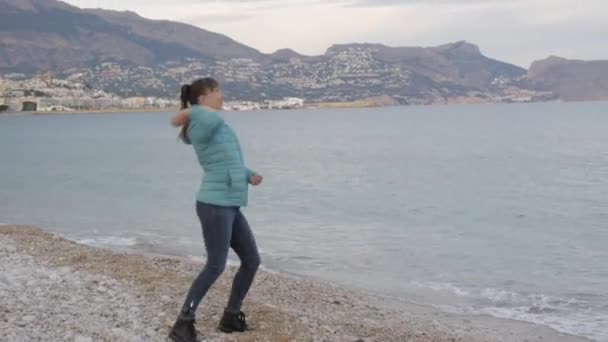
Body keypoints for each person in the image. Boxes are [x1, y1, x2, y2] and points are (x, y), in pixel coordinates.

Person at [168, 77, 262, 342]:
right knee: (216, 265)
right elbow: (205, 120)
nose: (221, 95)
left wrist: (249, 174)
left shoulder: (212, 124)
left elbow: (226, 162)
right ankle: (182, 324)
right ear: (202, 98)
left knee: (252, 260)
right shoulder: (203, 124)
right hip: (214, 205)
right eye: (216, 91)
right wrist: (190, 110)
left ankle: (231, 317)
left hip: (230, 203)